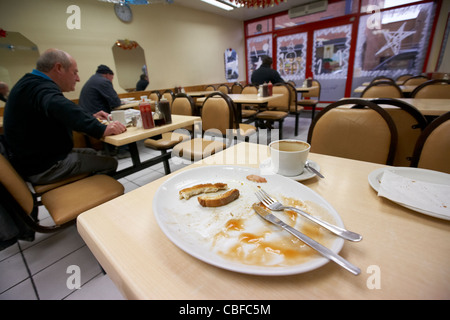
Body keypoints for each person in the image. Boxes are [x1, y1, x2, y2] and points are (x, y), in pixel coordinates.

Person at [3, 48, 127, 185]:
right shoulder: (40, 88)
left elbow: (60, 112)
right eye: (75, 72)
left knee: (91, 152)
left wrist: (90, 116)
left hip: (36, 159)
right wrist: (101, 129)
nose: (78, 78)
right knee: (109, 163)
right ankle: (89, 197)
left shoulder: (30, 85)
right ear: (59, 68)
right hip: (44, 167)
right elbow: (59, 105)